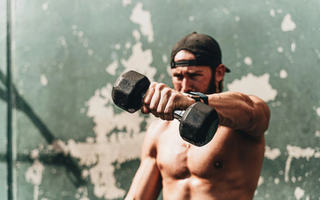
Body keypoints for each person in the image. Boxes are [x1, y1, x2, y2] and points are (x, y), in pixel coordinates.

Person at [125, 32, 270, 200]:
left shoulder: (240, 123)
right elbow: (138, 197)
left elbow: (251, 109)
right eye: (178, 76)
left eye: (194, 75)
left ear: (219, 72)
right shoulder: (158, 132)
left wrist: (192, 101)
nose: (185, 85)